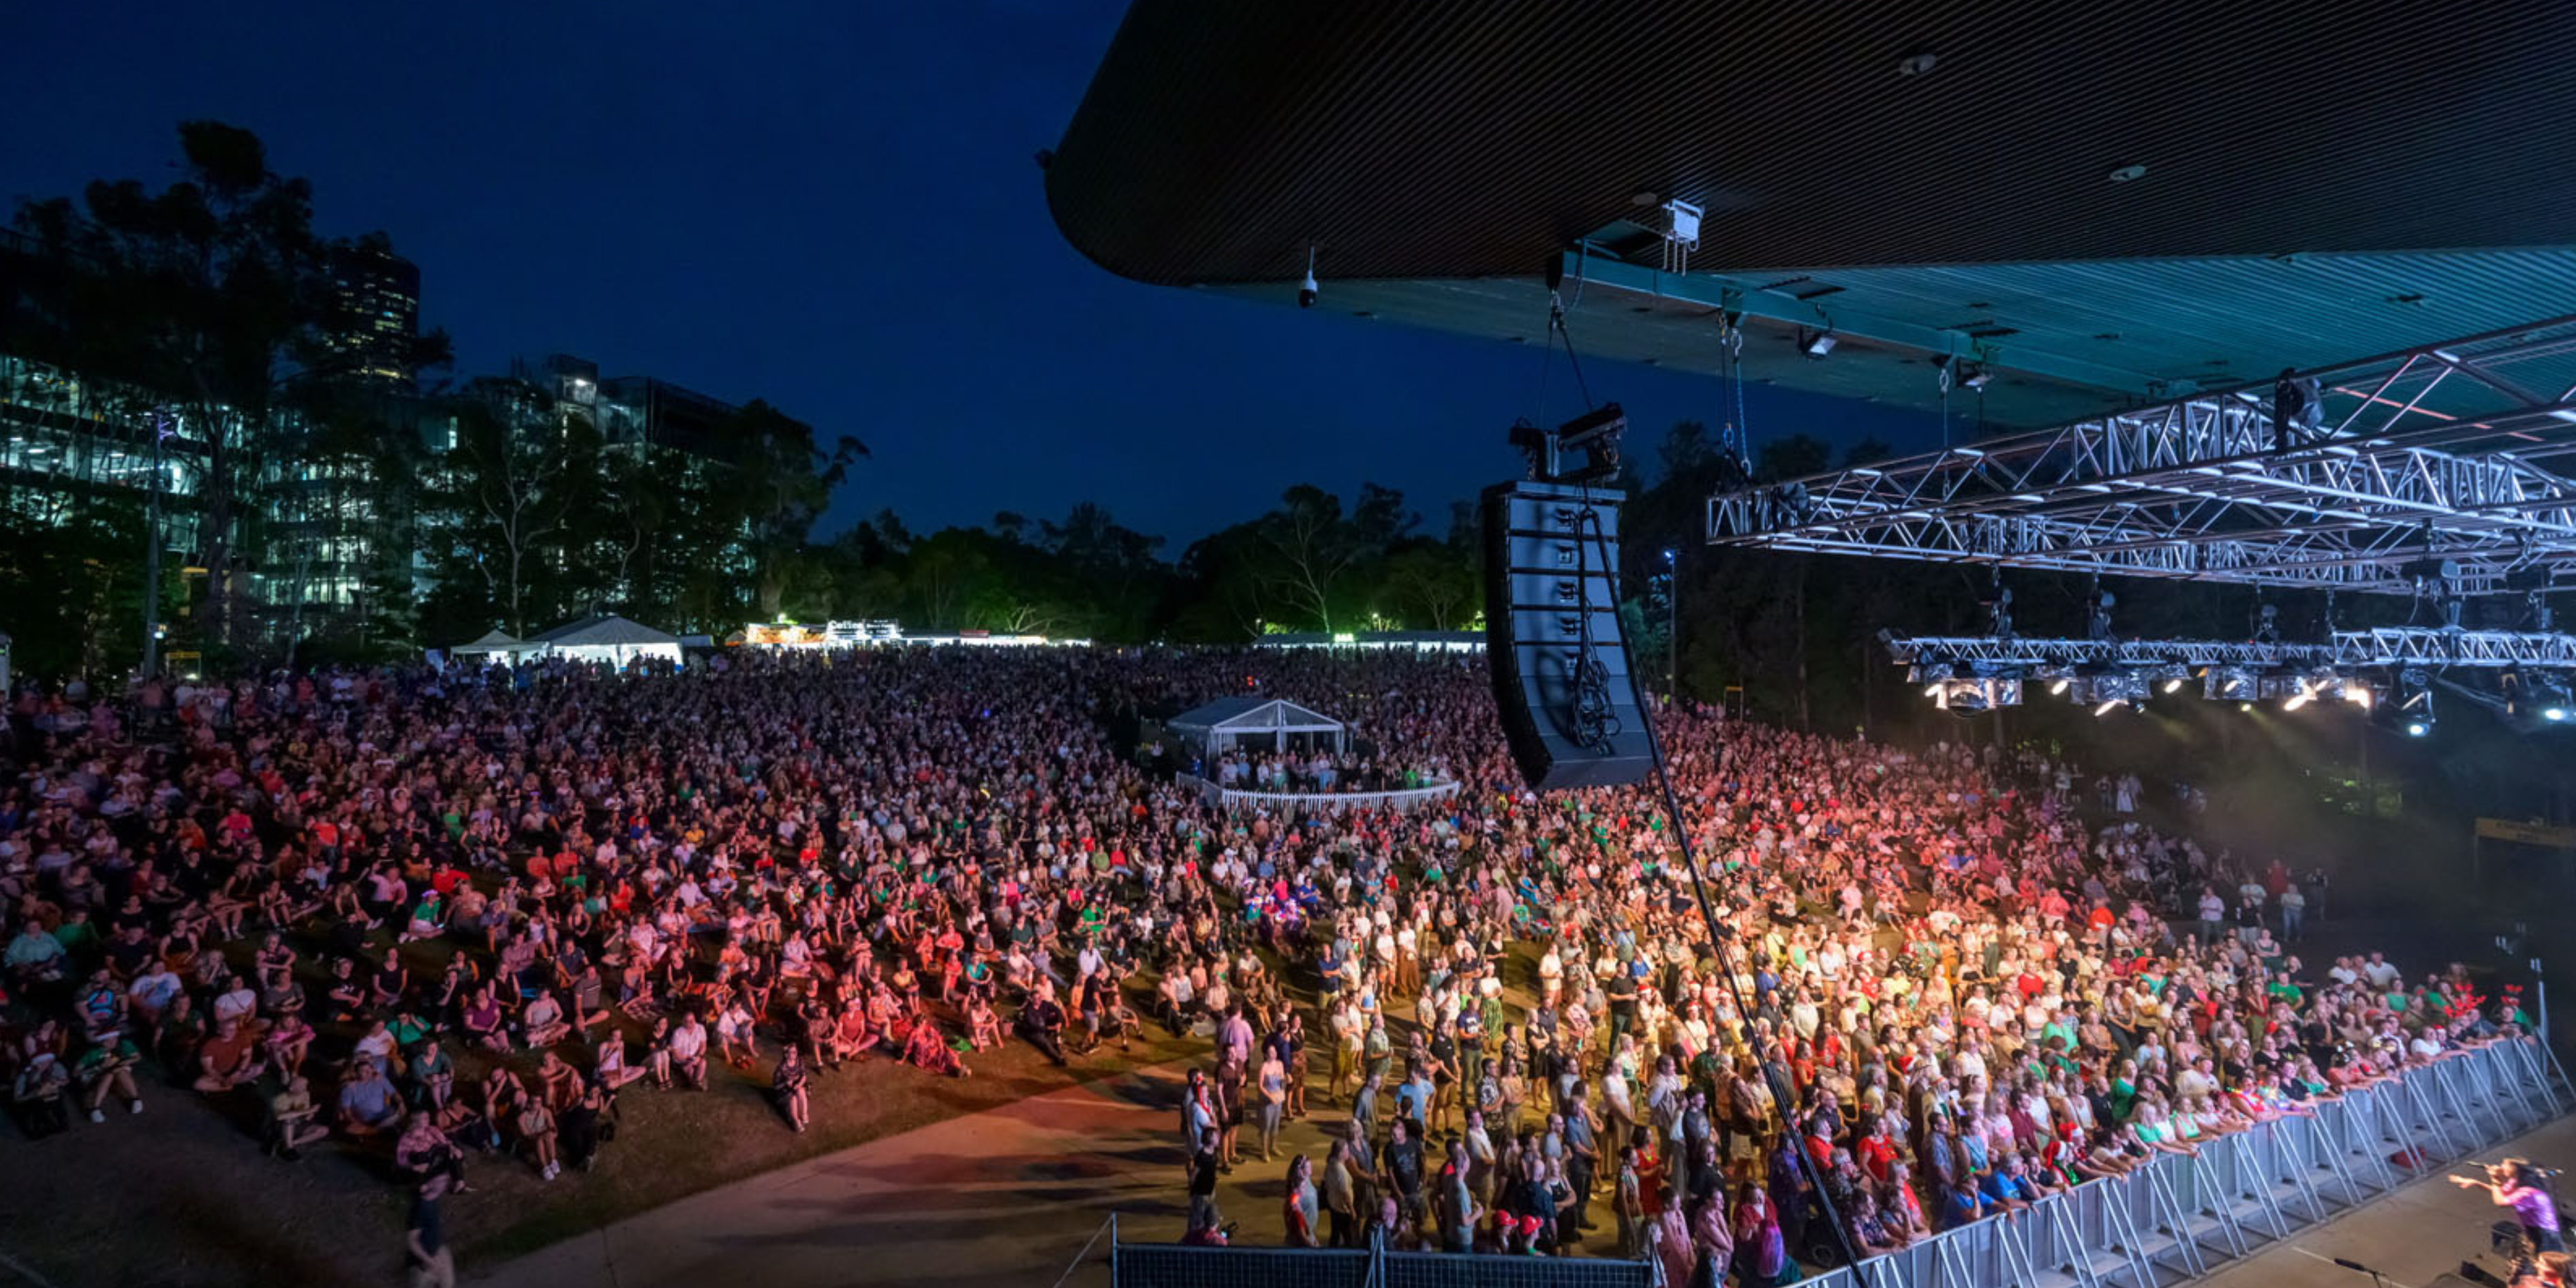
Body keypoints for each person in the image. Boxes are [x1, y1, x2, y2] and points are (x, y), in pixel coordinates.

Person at [408, 1173, 457, 1288]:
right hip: (425, 1261)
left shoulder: (433, 1199)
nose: (445, 1181)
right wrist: (431, 1262)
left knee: (448, 1284)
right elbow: (412, 1241)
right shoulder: (420, 1209)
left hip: (439, 1250)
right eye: (441, 1180)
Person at [1283, 1152, 1321, 1247]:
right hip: (1301, 1242)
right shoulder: (1295, 1198)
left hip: (1310, 1234)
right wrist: (1312, 1247)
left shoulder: (1306, 1180)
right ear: (1300, 1171)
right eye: (1308, 1167)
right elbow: (1295, 1216)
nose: (1311, 1168)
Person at [773, 1045, 812, 1134]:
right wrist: (786, 1082)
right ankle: (795, 1120)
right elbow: (776, 1086)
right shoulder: (781, 1068)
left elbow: (804, 1076)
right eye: (793, 1052)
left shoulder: (799, 1061)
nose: (796, 1053)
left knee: (801, 1091)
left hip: (795, 1087)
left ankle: (804, 1115)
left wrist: (799, 1084)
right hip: (784, 1091)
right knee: (793, 1098)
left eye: (796, 1051)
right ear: (786, 1055)